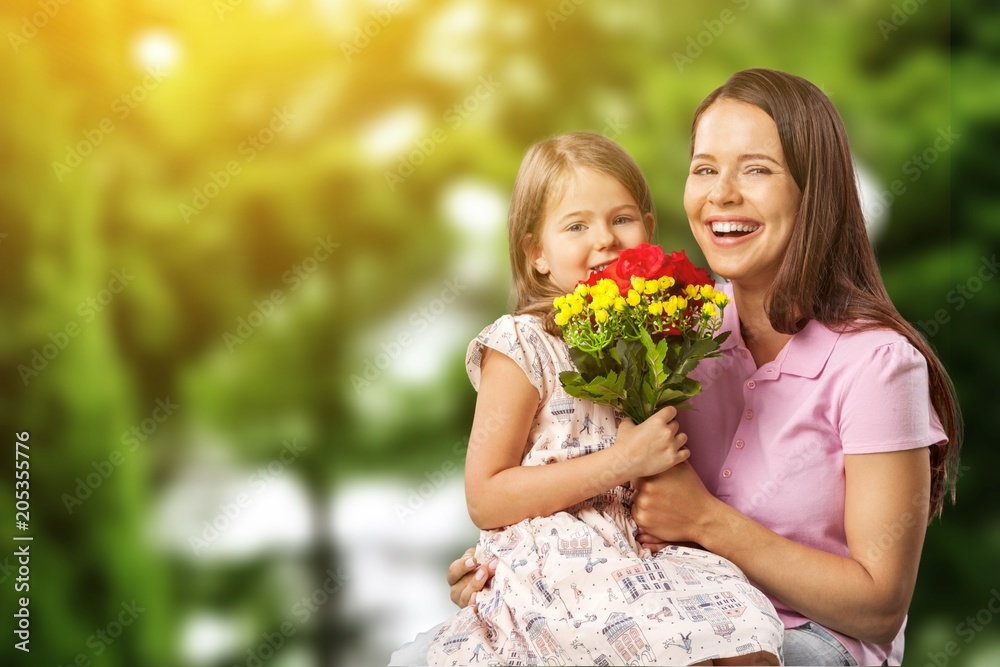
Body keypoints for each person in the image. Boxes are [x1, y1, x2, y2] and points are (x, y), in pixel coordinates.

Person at [440, 69, 962, 667]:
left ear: (812, 190)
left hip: (809, 639)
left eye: (757, 169)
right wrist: (512, 574)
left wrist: (709, 522)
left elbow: (879, 607)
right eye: (706, 168)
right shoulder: (667, 334)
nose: (722, 194)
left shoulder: (878, 363)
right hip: (660, 606)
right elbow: (576, 481)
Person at [413, 132, 784, 666]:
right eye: (576, 225)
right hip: (560, 558)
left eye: (622, 219)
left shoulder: (652, 335)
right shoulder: (521, 345)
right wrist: (620, 463)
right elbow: (486, 497)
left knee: (747, 629)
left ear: (649, 232)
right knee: (669, 649)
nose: (605, 239)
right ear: (535, 254)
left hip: (646, 547)